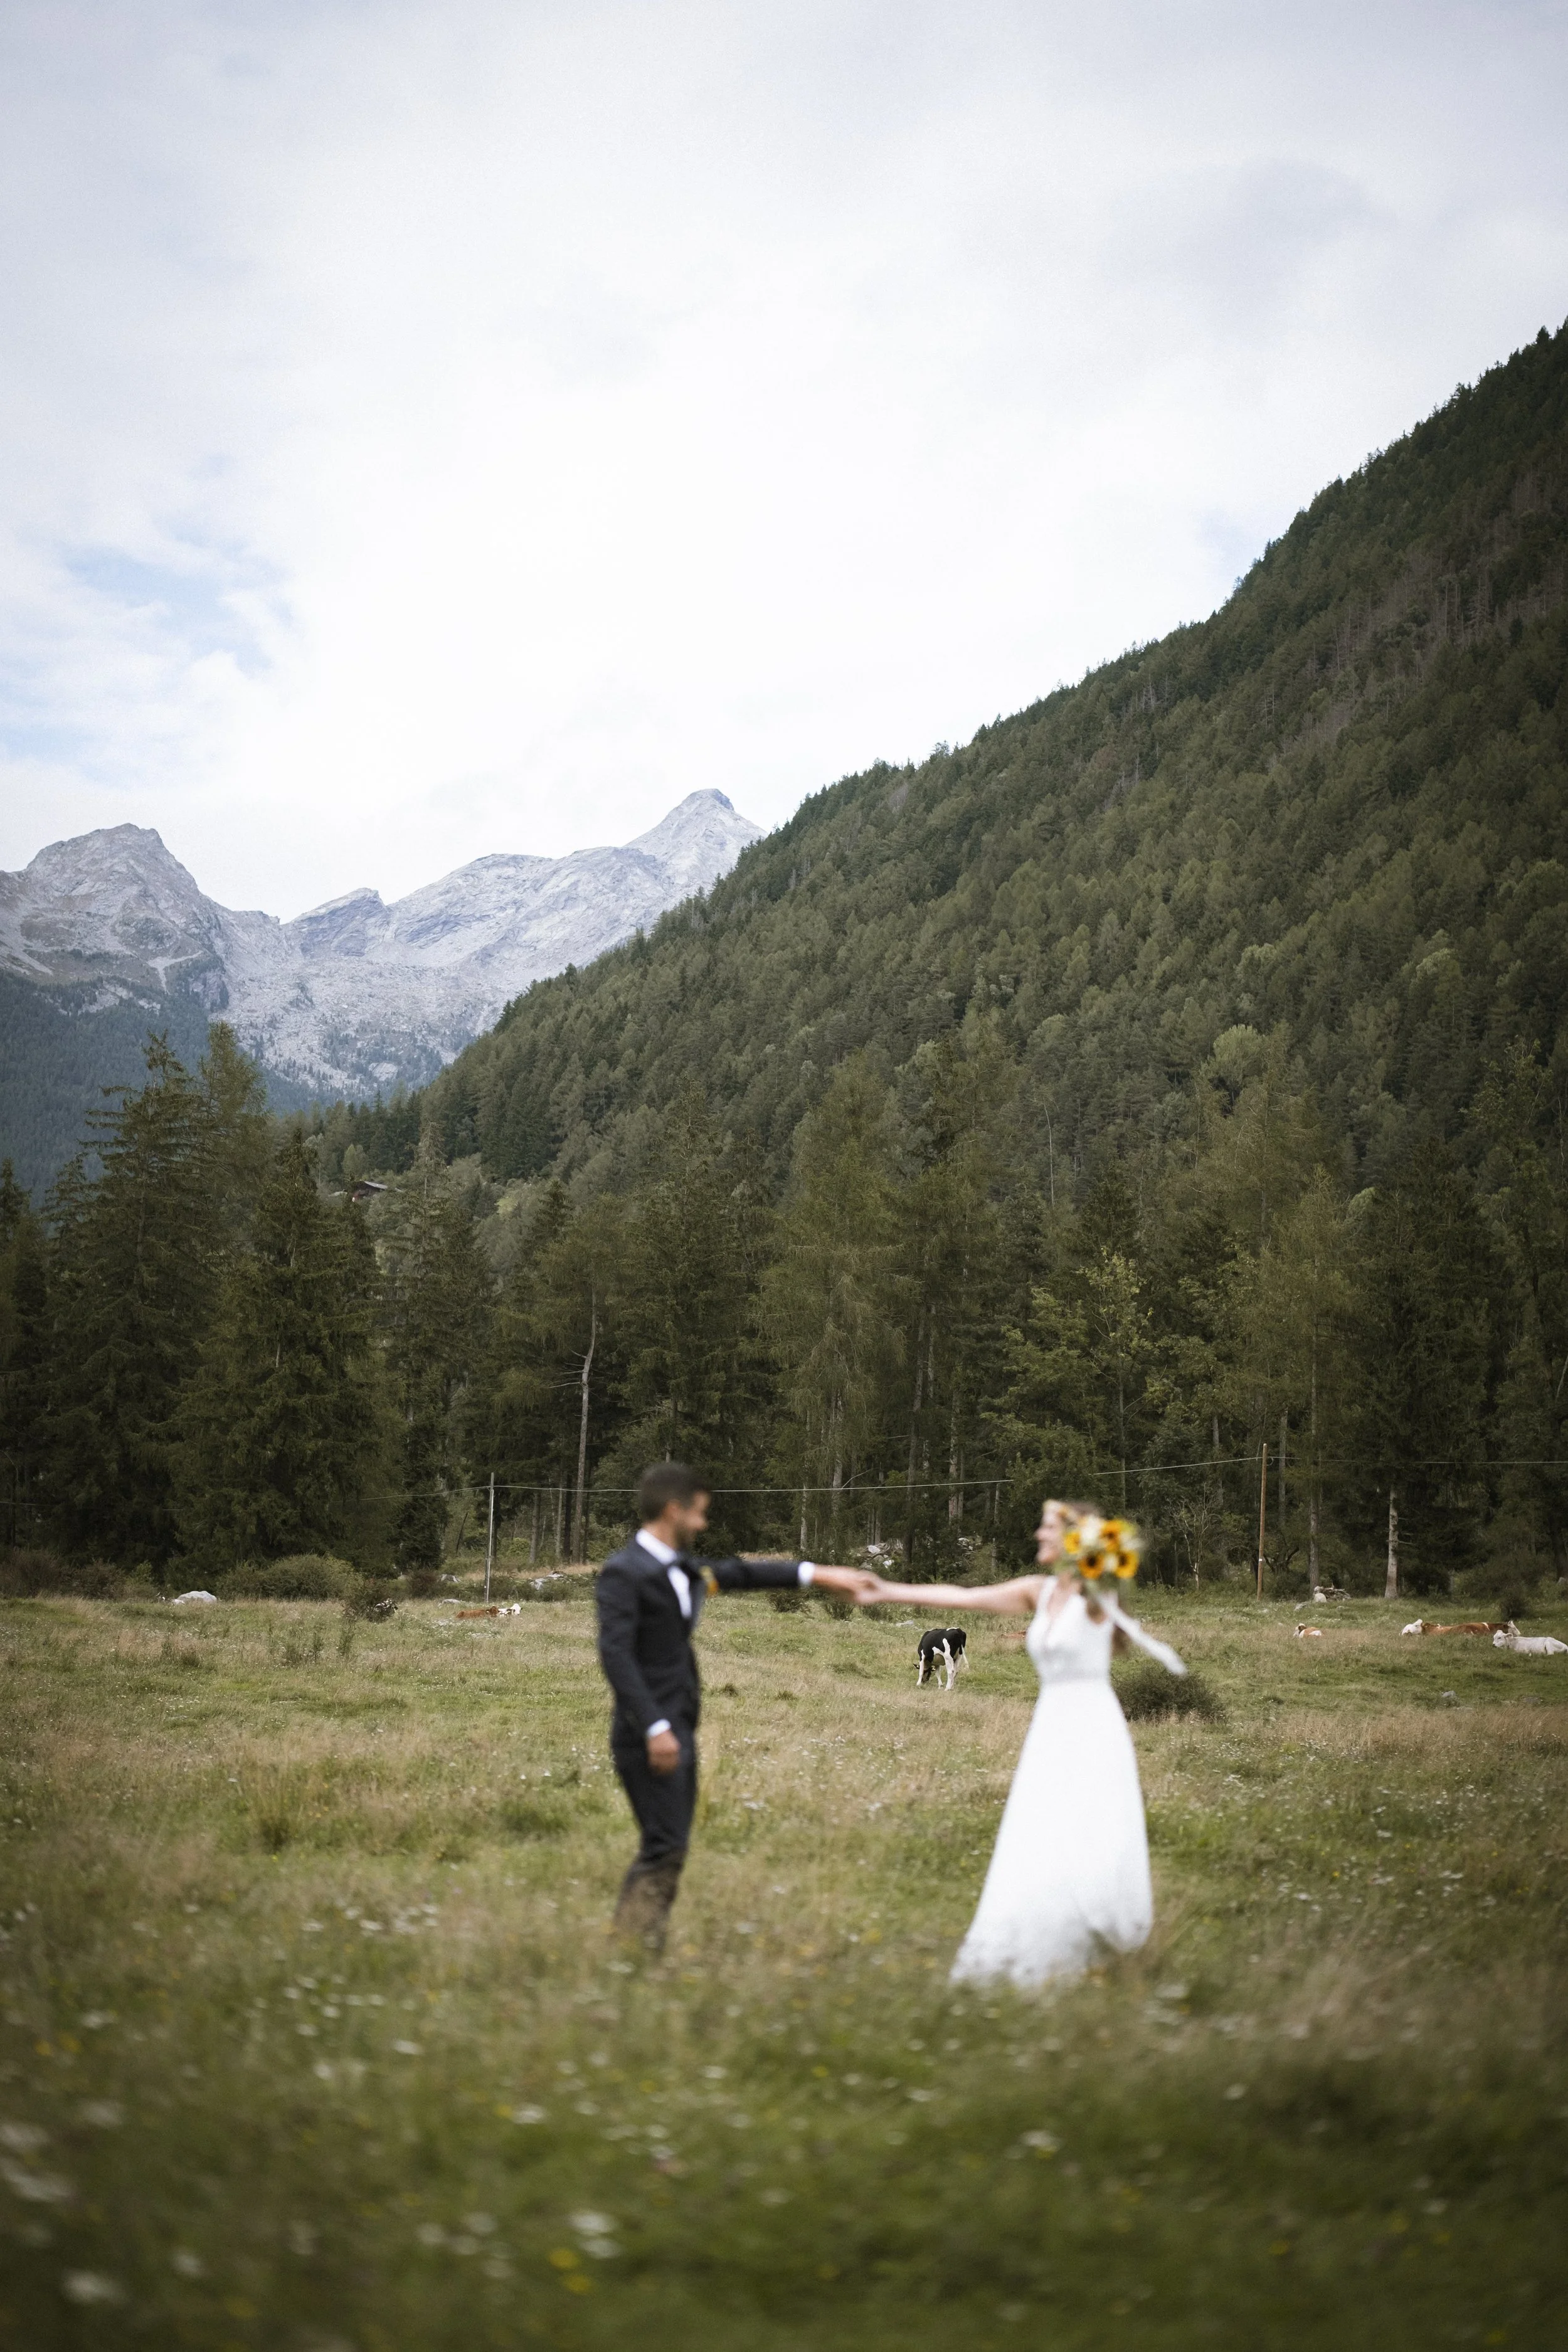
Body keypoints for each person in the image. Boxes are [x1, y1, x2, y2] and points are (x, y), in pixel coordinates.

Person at [859, 1500, 1185, 1988]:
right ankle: (1037, 1931)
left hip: (1093, 1723)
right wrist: (885, 1590)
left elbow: (1120, 1629)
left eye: (1048, 1529)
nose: (1038, 1534)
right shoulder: (1039, 1591)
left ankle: (1097, 1933)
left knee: (1087, 1824)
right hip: (1048, 1725)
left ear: (1078, 1541)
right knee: (1038, 1824)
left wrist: (1103, 1571)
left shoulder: (1098, 1598)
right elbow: (962, 1598)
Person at [595, 1463, 874, 1953]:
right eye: (700, 1514)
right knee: (664, 1844)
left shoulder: (683, 1569)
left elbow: (738, 1572)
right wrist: (656, 1726)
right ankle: (629, 1952)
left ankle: (638, 1949)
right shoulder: (625, 1572)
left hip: (677, 1726)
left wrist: (819, 1575)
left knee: (672, 1845)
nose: (703, 1524)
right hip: (648, 1731)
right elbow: (615, 1655)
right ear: (674, 1510)